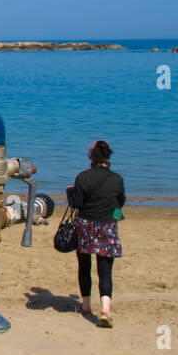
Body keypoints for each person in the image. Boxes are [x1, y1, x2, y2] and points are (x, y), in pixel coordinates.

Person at [65, 140, 125, 328]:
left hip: (86, 225)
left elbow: (77, 204)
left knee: (84, 266)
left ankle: (86, 306)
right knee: (105, 270)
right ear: (108, 157)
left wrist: (70, 192)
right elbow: (120, 202)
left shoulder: (83, 177)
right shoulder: (117, 179)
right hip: (107, 226)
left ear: (91, 157)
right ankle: (105, 309)